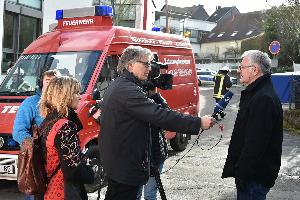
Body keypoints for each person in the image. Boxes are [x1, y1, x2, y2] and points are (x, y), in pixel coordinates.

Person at [97, 45, 216, 200]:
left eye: (150, 64)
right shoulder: (128, 91)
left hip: (119, 164)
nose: (149, 68)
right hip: (125, 167)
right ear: (130, 65)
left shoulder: (121, 84)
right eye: (145, 64)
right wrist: (198, 122)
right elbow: (160, 115)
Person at [221, 50, 283, 200]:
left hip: (254, 178)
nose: (238, 70)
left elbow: (255, 145)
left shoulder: (263, 98)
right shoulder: (257, 93)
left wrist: (241, 174)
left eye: (242, 67)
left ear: (254, 70)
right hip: (252, 176)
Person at [39, 76, 94, 200]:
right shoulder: (65, 126)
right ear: (65, 96)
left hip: (48, 190)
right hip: (63, 192)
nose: (79, 97)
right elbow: (72, 170)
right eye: (75, 93)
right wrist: (90, 173)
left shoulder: (47, 122)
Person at [13, 69, 60, 200]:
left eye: (54, 81)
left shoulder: (61, 103)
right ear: (41, 83)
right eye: (48, 81)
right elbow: (18, 131)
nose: (51, 84)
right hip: (37, 162)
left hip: (56, 163)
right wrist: (34, 146)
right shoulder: (30, 103)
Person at [136, 90, 169, 200]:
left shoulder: (155, 100)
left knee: (150, 195)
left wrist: (155, 94)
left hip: (155, 155)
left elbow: (167, 116)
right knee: (136, 194)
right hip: (138, 159)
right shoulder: (133, 99)